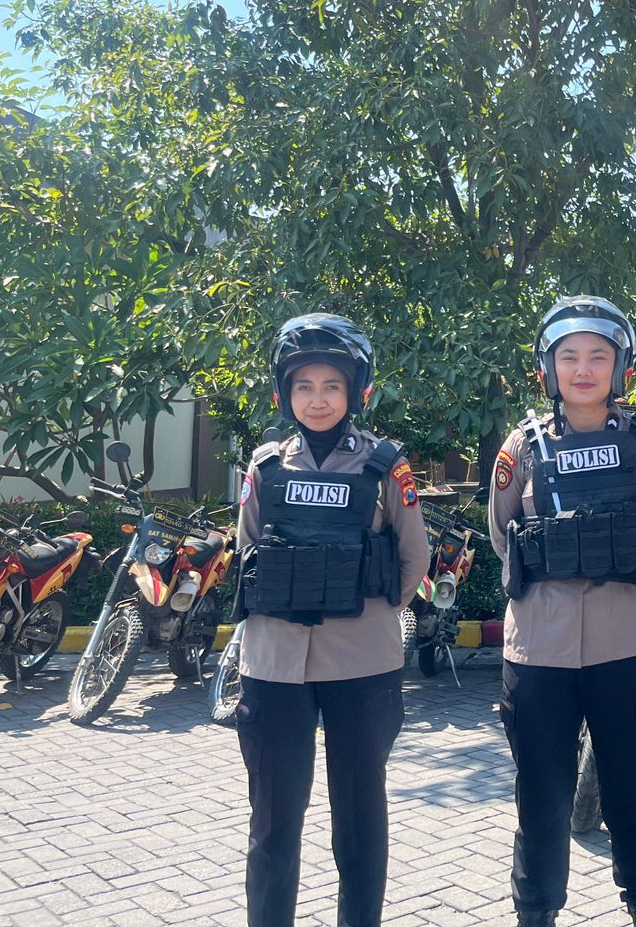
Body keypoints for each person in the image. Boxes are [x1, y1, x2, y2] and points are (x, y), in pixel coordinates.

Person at [487, 295, 636, 927]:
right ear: (548, 368)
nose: (583, 369)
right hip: (539, 652)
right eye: (569, 356)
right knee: (541, 803)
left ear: (620, 367)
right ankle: (536, 911)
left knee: (633, 797)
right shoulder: (521, 447)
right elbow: (502, 533)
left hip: (626, 649)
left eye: (598, 356)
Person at [233, 313, 431, 927]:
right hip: (273, 665)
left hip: (362, 664)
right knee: (272, 822)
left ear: (355, 392)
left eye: (331, 386)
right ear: (284, 393)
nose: (317, 400)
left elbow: (412, 558)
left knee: (360, 818)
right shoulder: (265, 467)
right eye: (303, 386)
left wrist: (364, 610)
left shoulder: (385, 466)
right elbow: (247, 549)